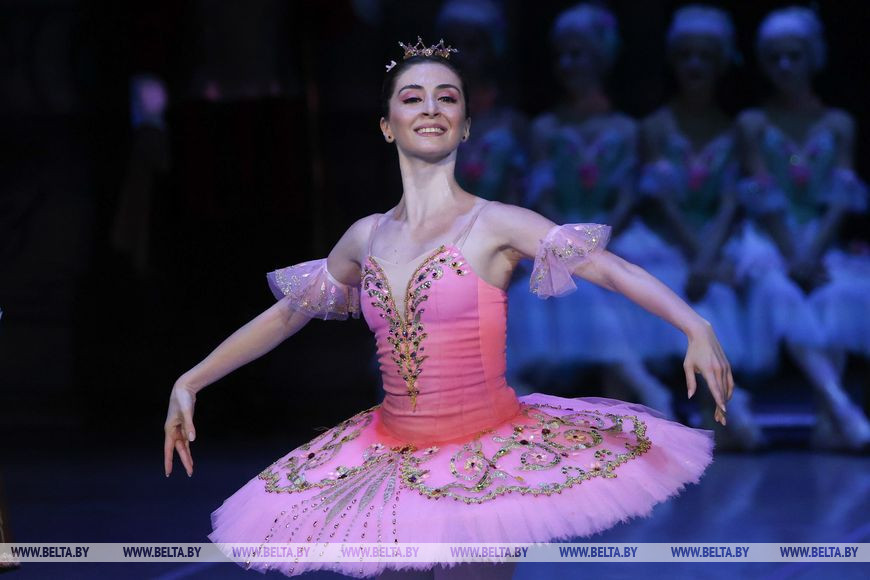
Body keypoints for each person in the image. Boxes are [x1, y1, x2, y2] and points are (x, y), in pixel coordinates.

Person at [164, 39, 733, 578]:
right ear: (387, 126)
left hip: (486, 459)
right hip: (389, 456)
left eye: (448, 98)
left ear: (465, 125)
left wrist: (694, 324)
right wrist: (191, 380)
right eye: (413, 98)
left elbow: (610, 269)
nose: (431, 108)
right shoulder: (365, 237)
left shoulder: (495, 223)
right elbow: (287, 315)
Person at [508, 3, 677, 420]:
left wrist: (597, 242)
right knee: (574, 285)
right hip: (556, 238)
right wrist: (570, 243)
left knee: (608, 282)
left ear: (601, 57)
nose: (568, 64)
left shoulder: (626, 129)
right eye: (562, 55)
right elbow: (543, 196)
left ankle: (636, 395)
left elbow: (627, 197)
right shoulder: (545, 129)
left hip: (614, 236)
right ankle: (638, 386)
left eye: (578, 53)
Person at [731, 6, 870, 450]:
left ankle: (829, 423)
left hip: (821, 240)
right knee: (779, 293)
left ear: (813, 58)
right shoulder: (753, 123)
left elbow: (841, 198)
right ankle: (842, 408)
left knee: (839, 297)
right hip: (771, 241)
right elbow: (763, 193)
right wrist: (794, 257)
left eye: (794, 56)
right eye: (775, 58)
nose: (785, 66)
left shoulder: (838, 123)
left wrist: (812, 254)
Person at [633, 5, 764, 450]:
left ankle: (721, 404)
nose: (695, 65)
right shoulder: (654, 127)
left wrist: (708, 256)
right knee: (678, 290)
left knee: (721, 291)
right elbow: (662, 205)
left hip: (716, 240)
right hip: (668, 241)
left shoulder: (734, 128)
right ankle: (718, 405)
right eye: (686, 55)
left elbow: (731, 202)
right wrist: (696, 256)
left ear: (722, 63)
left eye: (705, 57)